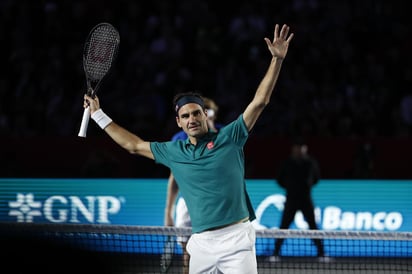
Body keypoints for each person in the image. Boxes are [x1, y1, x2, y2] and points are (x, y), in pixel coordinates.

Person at [83, 23, 293, 274]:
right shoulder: (175, 151)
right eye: (185, 116)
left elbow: (260, 102)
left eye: (196, 113)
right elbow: (134, 145)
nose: (191, 119)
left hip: (237, 239)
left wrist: (276, 60)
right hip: (201, 242)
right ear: (179, 122)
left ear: (206, 115)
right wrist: (98, 115)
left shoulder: (231, 137)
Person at [164, 96, 222, 274]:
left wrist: (211, 128)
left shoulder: (224, 134)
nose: (194, 119)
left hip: (218, 205)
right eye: (188, 115)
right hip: (188, 204)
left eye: (202, 114)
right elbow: (175, 176)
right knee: (187, 254)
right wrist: (168, 211)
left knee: (218, 256)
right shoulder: (179, 139)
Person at [269, 138, 327, 262]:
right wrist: (290, 187)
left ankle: (322, 254)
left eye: (302, 147)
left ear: (305, 149)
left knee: (313, 227)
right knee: (283, 227)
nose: (300, 150)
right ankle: (275, 254)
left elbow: (316, 178)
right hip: (291, 199)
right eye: (297, 147)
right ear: (293, 149)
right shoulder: (286, 163)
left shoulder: (311, 163)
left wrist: (307, 186)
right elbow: (279, 179)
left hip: (306, 199)